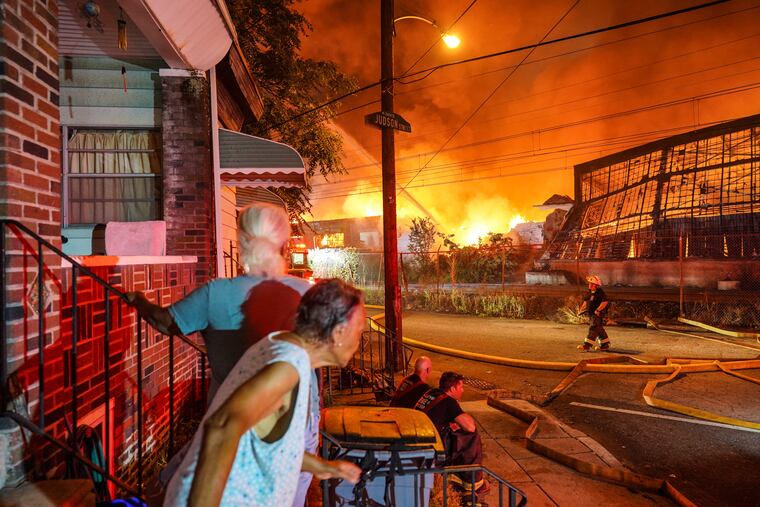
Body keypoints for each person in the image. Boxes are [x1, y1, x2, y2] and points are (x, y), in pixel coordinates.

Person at [126, 203, 318, 506]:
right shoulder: (306, 293)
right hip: (294, 426)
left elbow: (165, 322)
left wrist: (138, 299)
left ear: (241, 241)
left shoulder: (216, 293)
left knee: (171, 488)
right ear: (282, 242)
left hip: (232, 426)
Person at [163, 279, 364, 507]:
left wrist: (322, 466)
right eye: (358, 331)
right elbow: (221, 428)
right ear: (338, 333)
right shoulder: (287, 366)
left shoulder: (284, 346)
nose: (359, 339)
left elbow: (270, 447)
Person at [415, 371, 485, 494]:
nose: (463, 390)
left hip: (418, 439)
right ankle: (473, 482)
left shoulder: (431, 393)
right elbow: (470, 427)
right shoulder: (448, 402)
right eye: (461, 387)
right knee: (470, 436)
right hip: (432, 450)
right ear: (452, 388)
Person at [577, 274, 611, 351]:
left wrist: (598, 310)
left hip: (597, 315)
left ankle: (587, 345)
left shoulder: (600, 293)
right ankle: (605, 345)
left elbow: (605, 302)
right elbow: (585, 303)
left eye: (592, 284)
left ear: (596, 285)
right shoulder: (589, 293)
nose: (590, 285)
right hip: (591, 314)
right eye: (589, 283)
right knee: (599, 329)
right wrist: (580, 311)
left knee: (593, 328)